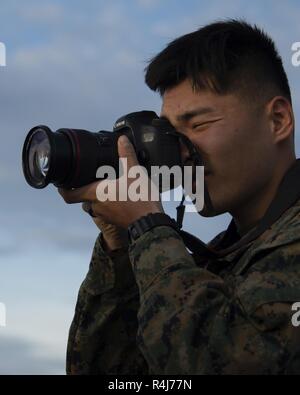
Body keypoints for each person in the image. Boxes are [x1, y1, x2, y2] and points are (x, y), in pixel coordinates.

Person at [59, 19, 300, 374]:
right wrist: (121, 246)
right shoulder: (218, 259)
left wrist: (148, 227)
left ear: (278, 120)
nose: (181, 152)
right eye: (170, 134)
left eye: (199, 125)